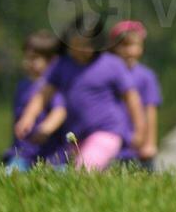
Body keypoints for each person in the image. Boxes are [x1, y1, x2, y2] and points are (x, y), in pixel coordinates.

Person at [14, 15, 141, 171]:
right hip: (75, 137)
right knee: (67, 171)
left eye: (83, 46)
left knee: (83, 169)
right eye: (73, 45)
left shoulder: (111, 65)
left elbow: (131, 98)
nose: (77, 50)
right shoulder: (62, 65)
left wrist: (139, 130)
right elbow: (43, 95)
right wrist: (28, 117)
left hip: (107, 131)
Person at [2, 30, 67, 172]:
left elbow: (59, 111)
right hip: (23, 152)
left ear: (52, 60)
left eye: (34, 58)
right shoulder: (23, 85)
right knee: (9, 176)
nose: (28, 62)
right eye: (26, 57)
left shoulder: (52, 87)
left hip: (52, 155)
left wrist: (45, 128)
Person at [111, 21, 162, 170]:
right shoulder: (107, 74)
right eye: (125, 45)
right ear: (114, 47)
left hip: (137, 148)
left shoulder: (146, 76)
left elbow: (150, 110)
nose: (130, 51)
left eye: (135, 45)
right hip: (111, 143)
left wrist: (150, 143)